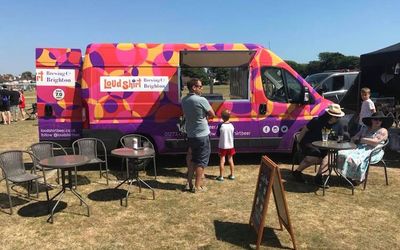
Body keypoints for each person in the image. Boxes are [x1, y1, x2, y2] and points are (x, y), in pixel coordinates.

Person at [292, 103, 346, 186]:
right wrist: (298, 143)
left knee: (329, 156)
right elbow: (304, 130)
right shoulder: (317, 120)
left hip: (327, 146)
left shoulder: (340, 124)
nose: (337, 118)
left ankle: (319, 176)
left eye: (338, 116)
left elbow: (340, 137)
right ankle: (297, 172)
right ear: (329, 115)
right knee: (313, 157)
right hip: (310, 143)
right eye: (336, 116)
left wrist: (338, 143)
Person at [336, 111, 392, 183]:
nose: (378, 121)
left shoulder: (383, 130)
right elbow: (355, 137)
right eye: (375, 119)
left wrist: (360, 140)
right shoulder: (365, 128)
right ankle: (346, 175)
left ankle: (355, 179)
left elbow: (375, 142)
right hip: (359, 148)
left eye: (380, 120)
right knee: (341, 153)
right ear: (371, 120)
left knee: (352, 158)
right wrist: (354, 140)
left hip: (373, 151)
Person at [182, 78, 215, 193]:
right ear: (194, 88)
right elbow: (212, 114)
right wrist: (205, 116)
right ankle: (197, 186)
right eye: (200, 86)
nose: (202, 88)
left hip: (191, 134)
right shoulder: (202, 100)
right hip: (202, 135)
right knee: (201, 161)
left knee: (192, 160)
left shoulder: (184, 100)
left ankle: (189, 183)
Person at [216, 109, 235, 181]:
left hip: (222, 146)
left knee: (222, 161)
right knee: (230, 160)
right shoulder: (232, 125)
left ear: (222, 117)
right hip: (231, 146)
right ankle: (232, 175)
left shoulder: (220, 125)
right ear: (229, 117)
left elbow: (218, 134)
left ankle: (221, 176)